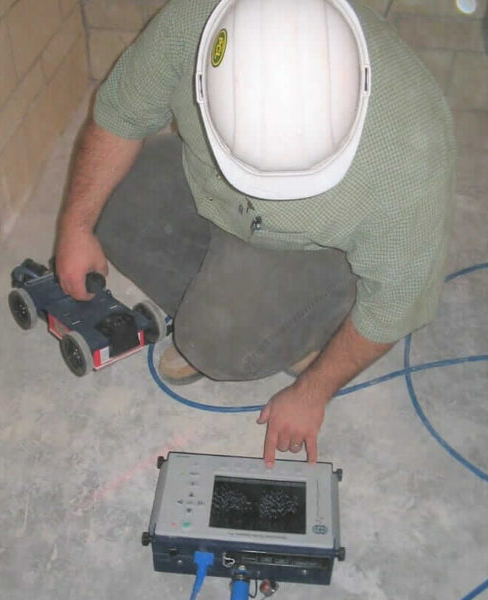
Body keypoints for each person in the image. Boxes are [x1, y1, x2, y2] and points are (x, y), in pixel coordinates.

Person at [54, 0, 456, 467]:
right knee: (114, 210)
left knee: (213, 344)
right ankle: (248, 315)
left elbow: (396, 304)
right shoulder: (194, 22)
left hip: (312, 248)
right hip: (210, 193)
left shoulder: (410, 148)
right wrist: (75, 225)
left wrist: (313, 391)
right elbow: (121, 114)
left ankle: (302, 325)